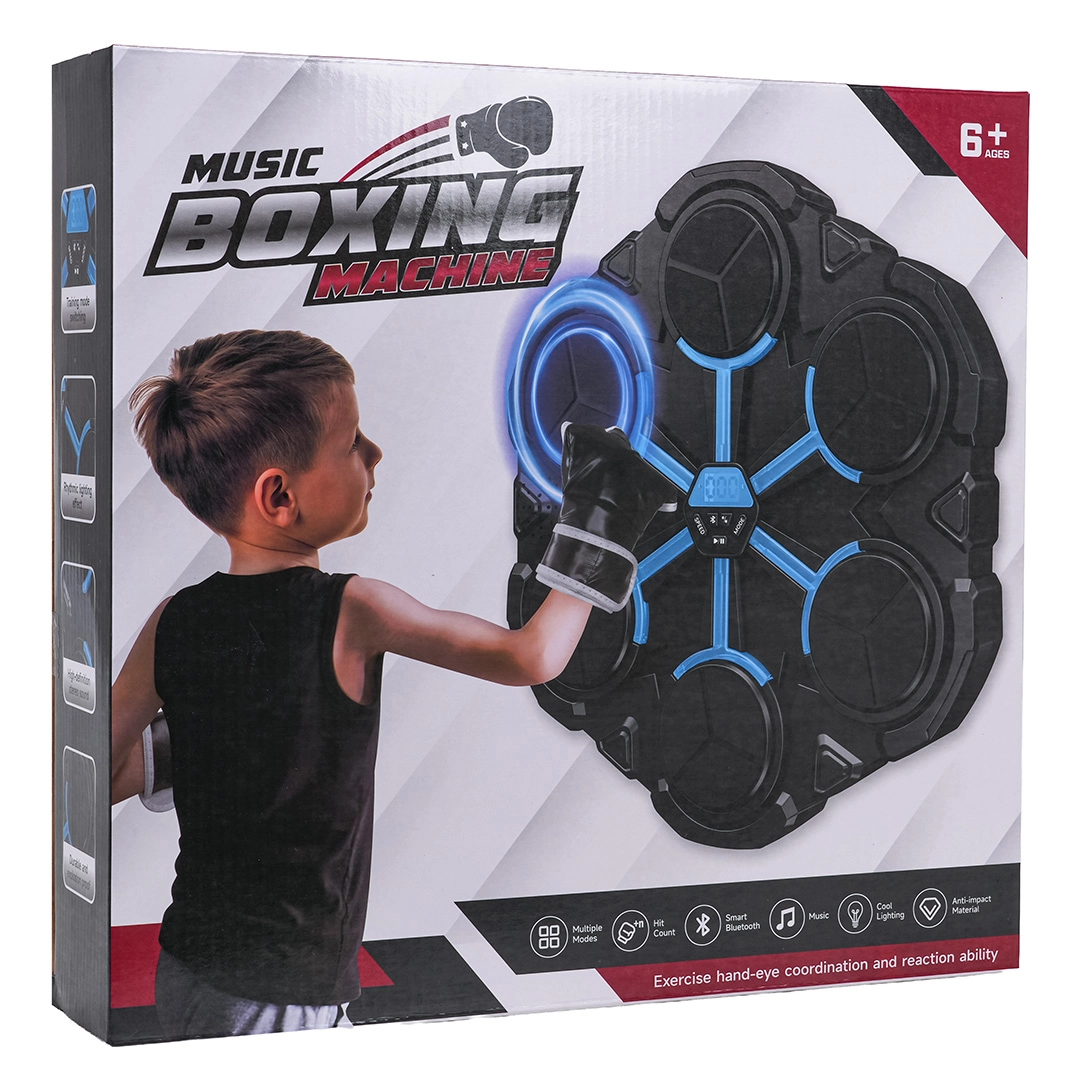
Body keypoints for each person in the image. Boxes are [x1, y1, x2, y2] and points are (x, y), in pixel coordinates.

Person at [110, 328, 673, 1038]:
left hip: (187, 966)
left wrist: (222, 735)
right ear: (279, 496)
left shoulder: (173, 621)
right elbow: (531, 656)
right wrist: (606, 510)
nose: (374, 454)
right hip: (282, 997)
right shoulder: (353, 609)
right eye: (351, 443)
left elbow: (94, 772)